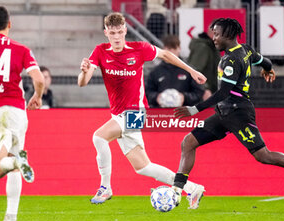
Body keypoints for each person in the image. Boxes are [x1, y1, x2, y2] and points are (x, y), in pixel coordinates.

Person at [172, 18, 284, 207]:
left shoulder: (232, 59)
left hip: (238, 113)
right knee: (188, 142)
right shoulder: (245, 50)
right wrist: (268, 69)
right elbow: (265, 61)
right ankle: (178, 191)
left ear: (228, 35)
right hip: (225, 112)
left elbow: (224, 92)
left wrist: (194, 109)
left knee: (263, 156)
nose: (214, 38)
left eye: (217, 34)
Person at [78, 12, 206, 209]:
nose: (117, 37)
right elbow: (83, 83)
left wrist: (191, 70)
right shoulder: (100, 51)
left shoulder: (139, 49)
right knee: (143, 167)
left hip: (137, 112)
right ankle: (192, 187)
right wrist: (84, 71)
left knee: (99, 137)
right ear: (106, 33)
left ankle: (105, 187)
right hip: (118, 114)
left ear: (125, 31)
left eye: (120, 32)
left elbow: (165, 54)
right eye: (113, 33)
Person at [0, 6, 44, 221]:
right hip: (16, 112)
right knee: (12, 164)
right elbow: (39, 79)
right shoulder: (22, 49)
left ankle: (18, 161)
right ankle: (11, 218)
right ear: (10, 24)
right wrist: (37, 96)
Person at [146, 35, 204, 108]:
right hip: (161, 114)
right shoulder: (155, 72)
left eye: (174, 48)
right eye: (169, 48)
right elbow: (147, 92)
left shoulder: (190, 71)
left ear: (179, 49)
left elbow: (199, 93)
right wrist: (156, 97)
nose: (171, 52)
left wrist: (184, 97)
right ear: (164, 49)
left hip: (184, 113)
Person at [188, 26, 220, 100]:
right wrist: (204, 89)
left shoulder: (212, 47)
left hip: (211, 92)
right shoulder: (203, 48)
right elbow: (194, 70)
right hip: (203, 94)